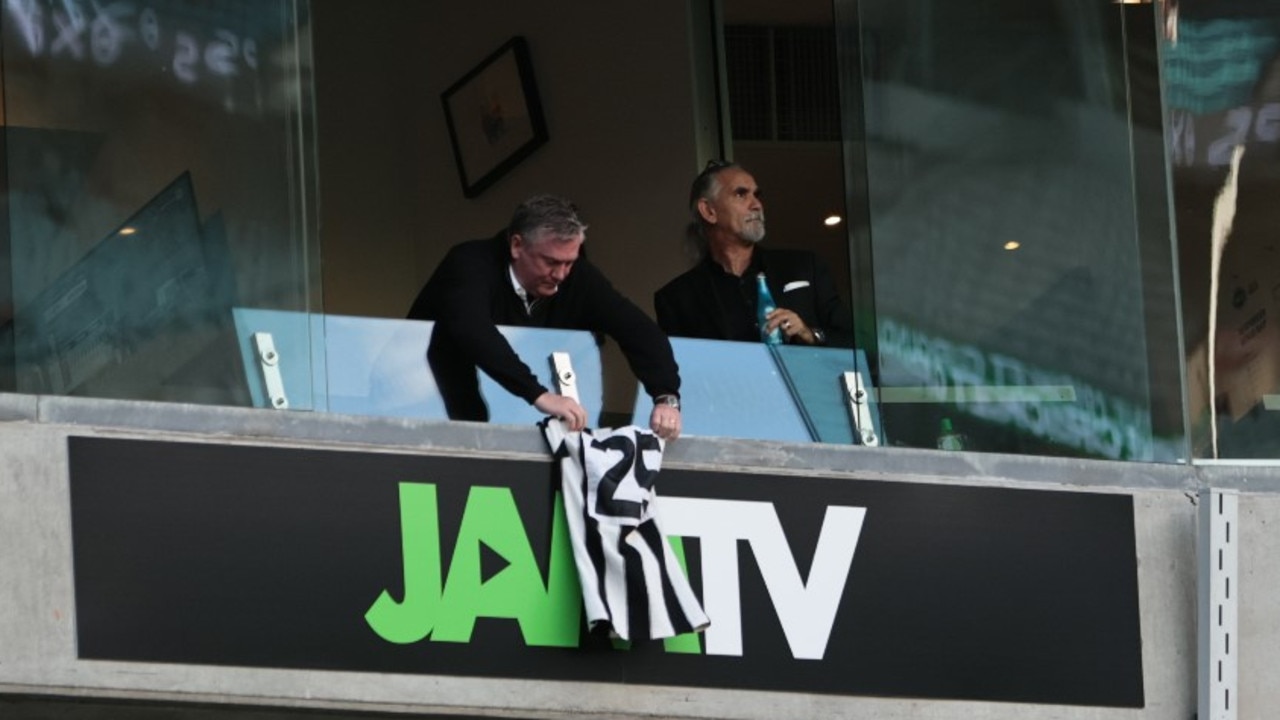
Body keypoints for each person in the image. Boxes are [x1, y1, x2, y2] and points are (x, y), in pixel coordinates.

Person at [408, 194, 683, 440]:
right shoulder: (469, 263)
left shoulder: (576, 277)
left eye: (569, 262)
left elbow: (636, 329)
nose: (562, 274)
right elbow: (472, 330)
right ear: (517, 246)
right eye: (551, 262)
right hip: (420, 408)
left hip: (520, 422)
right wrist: (540, 395)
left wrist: (665, 396)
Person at [654, 160, 852, 347]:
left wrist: (810, 334)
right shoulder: (677, 299)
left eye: (757, 195)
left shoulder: (805, 267)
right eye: (741, 194)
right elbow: (679, 374)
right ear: (708, 211)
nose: (756, 205)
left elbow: (854, 341)